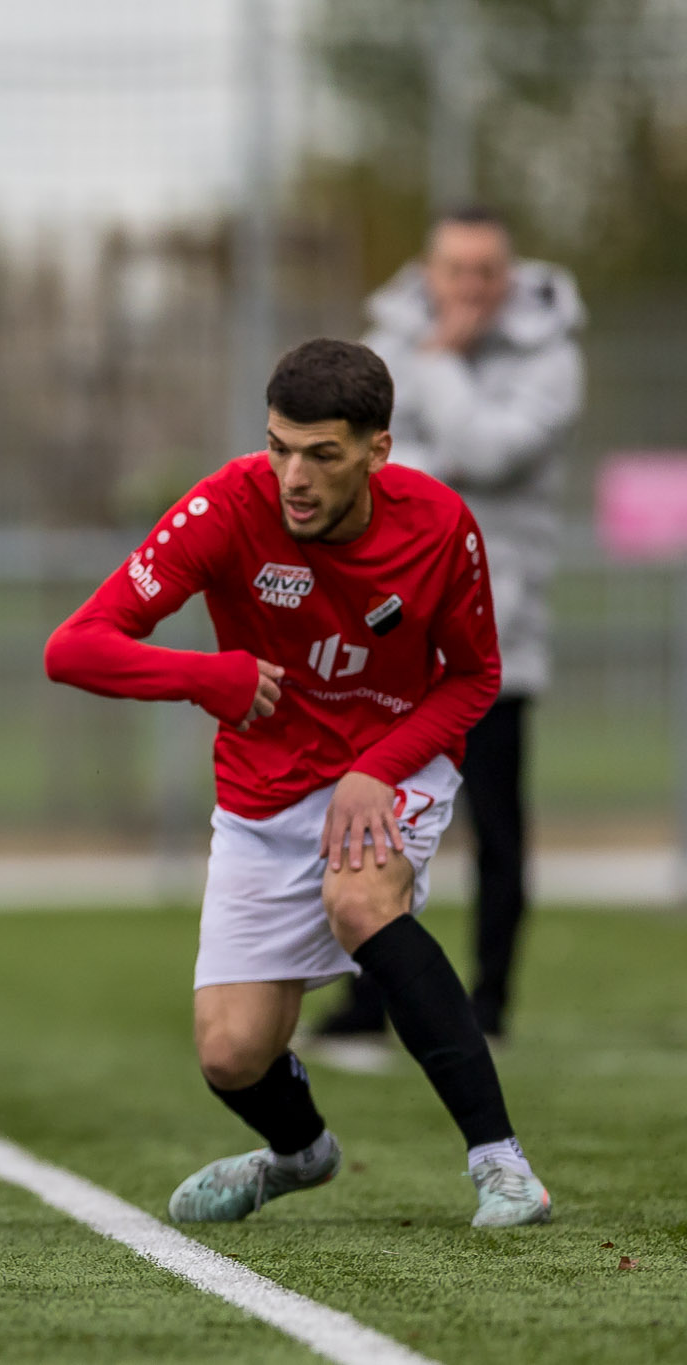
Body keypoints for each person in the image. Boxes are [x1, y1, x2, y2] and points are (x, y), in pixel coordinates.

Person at [45, 338, 549, 1228]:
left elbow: (474, 678)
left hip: (391, 760)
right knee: (231, 1054)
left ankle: (503, 1165)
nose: (294, 478)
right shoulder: (225, 507)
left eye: (322, 454)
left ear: (377, 450)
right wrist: (211, 677)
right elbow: (74, 647)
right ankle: (301, 1152)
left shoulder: (439, 525)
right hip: (264, 789)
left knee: (360, 900)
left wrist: (376, 769)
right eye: (279, 447)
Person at [319, 208, 584, 1043]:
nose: (470, 287)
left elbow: (490, 451)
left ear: (509, 275)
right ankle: (368, 1002)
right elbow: (353, 470)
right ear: (427, 272)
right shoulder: (381, 347)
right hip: (392, 634)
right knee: (374, 820)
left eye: (486, 271)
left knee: (495, 829)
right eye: (455, 269)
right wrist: (442, 455)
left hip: (496, 635)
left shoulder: (551, 358)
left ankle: (489, 1002)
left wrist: (436, 366)